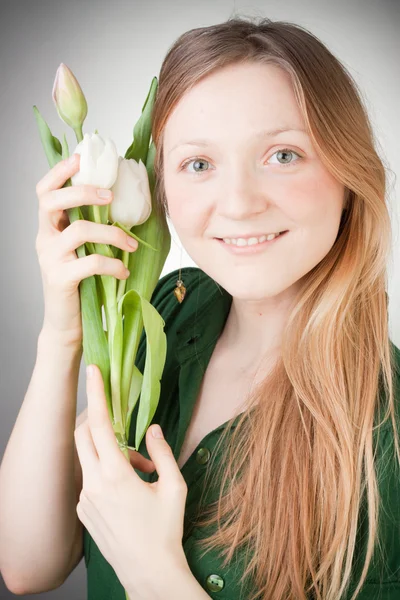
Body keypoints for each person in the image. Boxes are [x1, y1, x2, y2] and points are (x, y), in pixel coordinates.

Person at [1, 15, 399, 600]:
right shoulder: (167, 310)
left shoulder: (383, 434)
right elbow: (27, 566)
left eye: (283, 155)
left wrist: (154, 573)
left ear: (348, 172)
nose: (237, 204)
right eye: (199, 164)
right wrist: (62, 332)